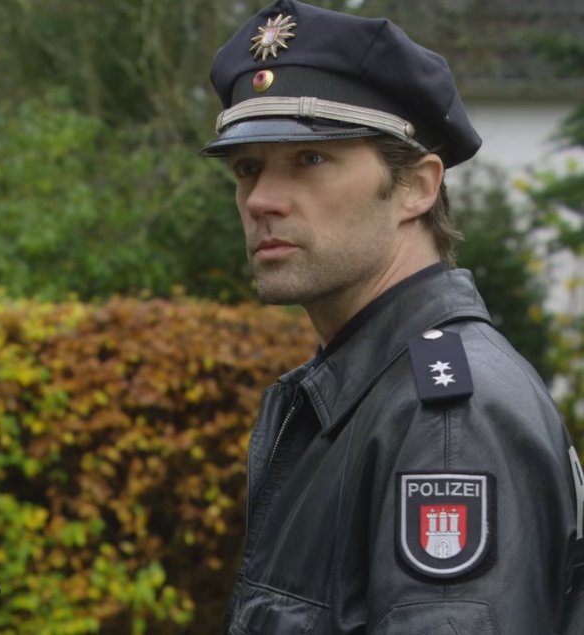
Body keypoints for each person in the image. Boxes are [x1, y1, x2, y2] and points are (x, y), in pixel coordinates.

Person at [200, 1, 584, 633]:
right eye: (248, 168)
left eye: (310, 159)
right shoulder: (366, 390)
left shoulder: (446, 424)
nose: (261, 200)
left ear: (417, 187)